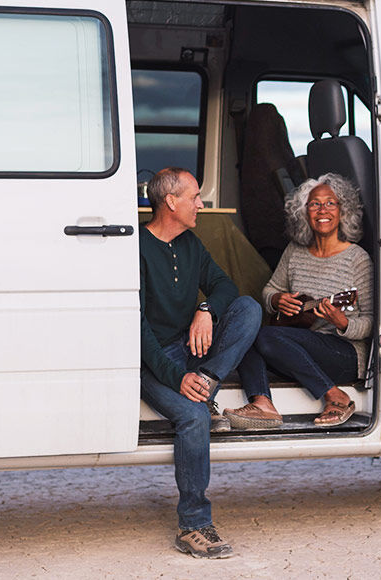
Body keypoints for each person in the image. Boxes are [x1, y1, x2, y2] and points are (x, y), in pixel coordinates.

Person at [139, 167, 261, 559]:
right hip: (151, 361)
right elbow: (138, 334)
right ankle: (193, 525)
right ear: (170, 202)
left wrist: (205, 309)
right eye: (194, 197)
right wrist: (178, 379)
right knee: (194, 417)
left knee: (247, 308)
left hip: (190, 350)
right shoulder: (136, 248)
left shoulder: (190, 243)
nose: (201, 204)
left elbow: (225, 286)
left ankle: (208, 381)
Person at [227, 173, 373, 429]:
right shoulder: (295, 251)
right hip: (295, 348)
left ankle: (335, 396)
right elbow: (270, 289)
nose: (322, 210)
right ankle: (263, 404)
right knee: (247, 334)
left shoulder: (357, 259)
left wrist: (342, 323)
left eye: (331, 203)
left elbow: (371, 323)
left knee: (267, 337)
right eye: (314, 204)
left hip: (343, 353)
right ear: (303, 212)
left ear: (343, 211)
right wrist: (277, 299)